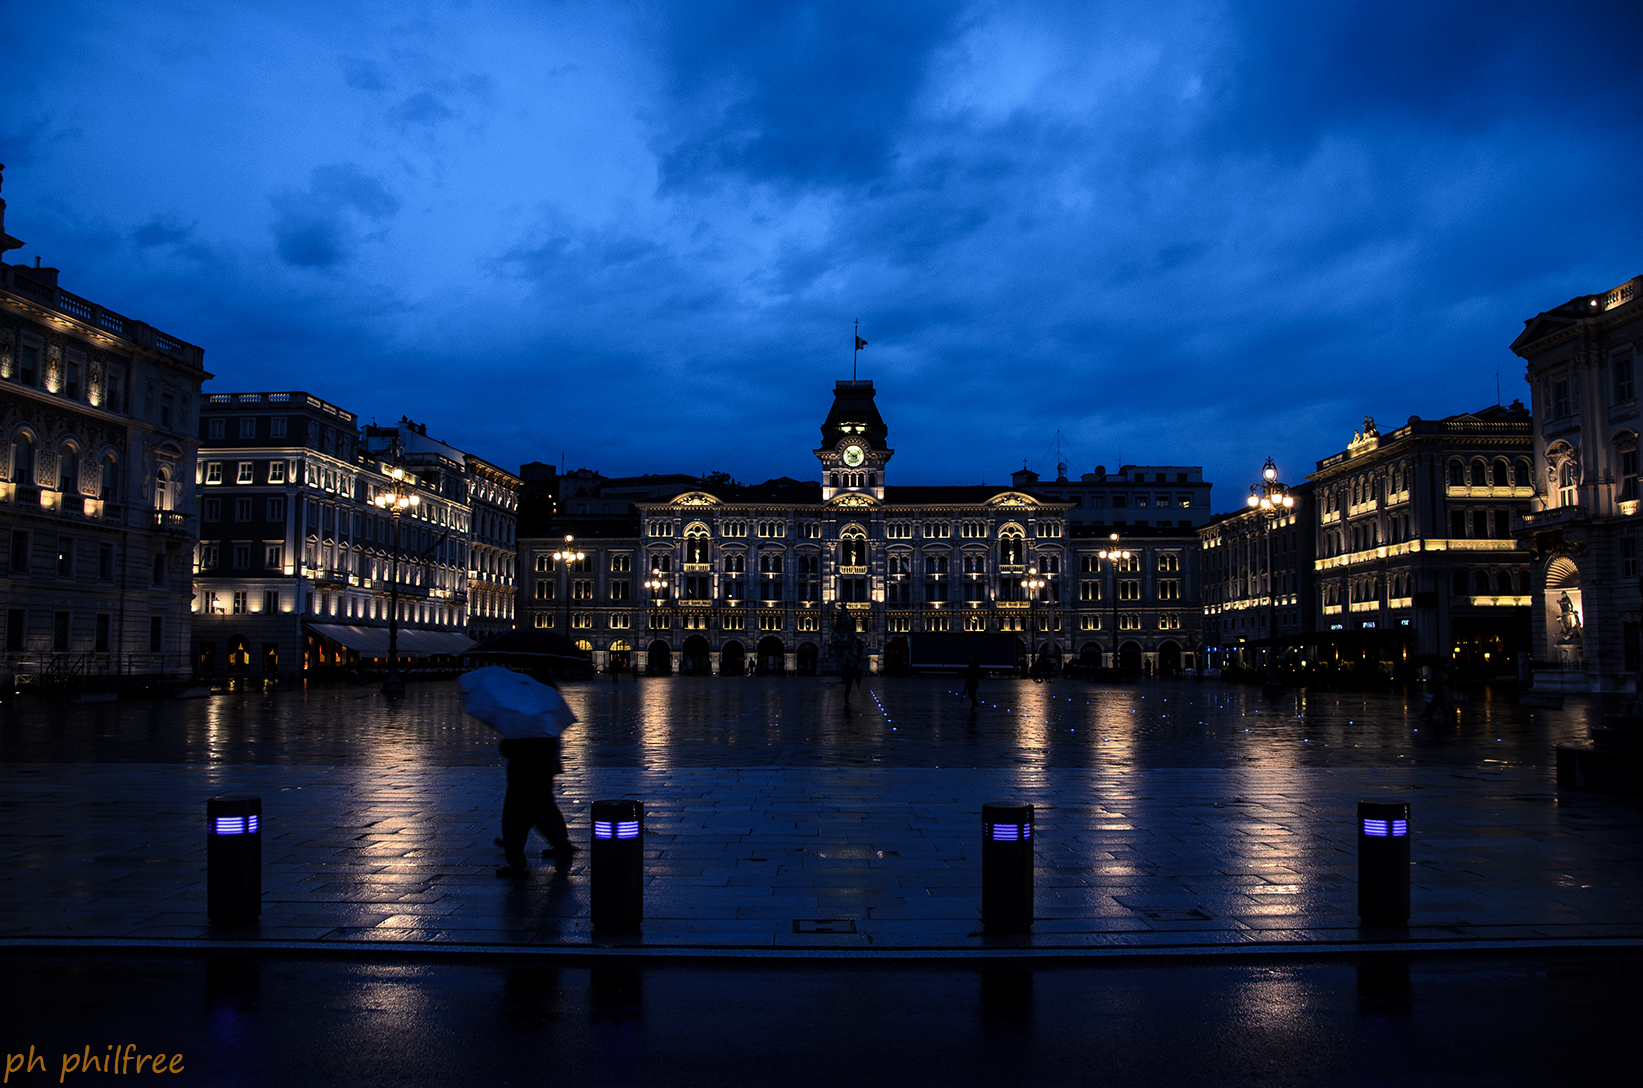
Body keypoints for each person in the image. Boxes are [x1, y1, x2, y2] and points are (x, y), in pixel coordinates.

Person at [494, 685, 578, 878]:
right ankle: (562, 845)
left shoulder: (519, 721)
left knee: (514, 822)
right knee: (542, 815)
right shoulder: (546, 721)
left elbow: (508, 749)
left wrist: (507, 741)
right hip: (541, 777)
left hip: (521, 780)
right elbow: (550, 748)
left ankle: (517, 864)